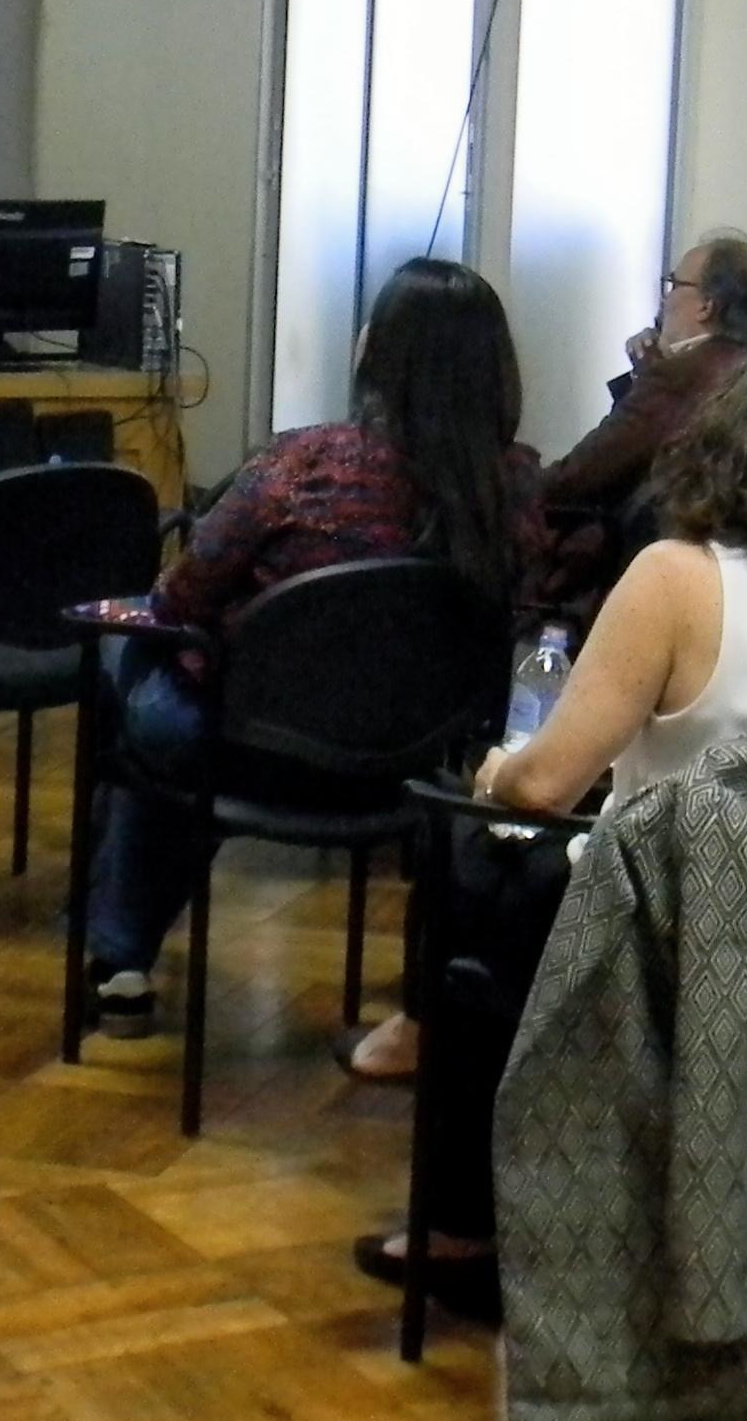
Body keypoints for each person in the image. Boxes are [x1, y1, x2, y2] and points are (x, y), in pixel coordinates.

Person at [357, 340, 747, 1321]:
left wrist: (497, 769)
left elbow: (549, 781)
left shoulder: (675, 579)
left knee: (471, 879)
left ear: (712, 452)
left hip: (696, 936)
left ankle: (464, 1224)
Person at [81, 257, 544, 1029]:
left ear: (373, 352)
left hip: (249, 751)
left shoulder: (297, 463)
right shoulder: (519, 489)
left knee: (126, 660)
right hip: (418, 772)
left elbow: (180, 597)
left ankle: (118, 957)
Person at [530, 231, 747, 630]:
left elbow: (578, 477)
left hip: (652, 588)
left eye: (674, 285)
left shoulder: (680, 377)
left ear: (706, 306)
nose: (664, 300)